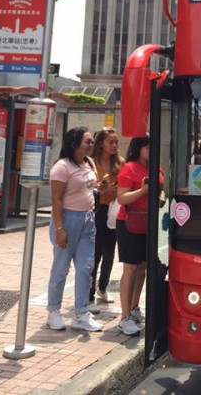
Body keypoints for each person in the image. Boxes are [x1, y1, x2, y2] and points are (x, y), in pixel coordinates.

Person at [47, 127, 102, 332]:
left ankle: (81, 313)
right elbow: (56, 199)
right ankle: (53, 311)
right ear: (74, 143)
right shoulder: (61, 167)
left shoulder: (89, 163)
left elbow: (91, 188)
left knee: (86, 267)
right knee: (61, 268)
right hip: (67, 220)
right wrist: (60, 228)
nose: (91, 145)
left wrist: (101, 188)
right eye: (87, 141)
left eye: (91, 141)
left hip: (88, 220)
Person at [115, 135, 165, 336]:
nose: (152, 149)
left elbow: (161, 188)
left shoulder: (156, 167)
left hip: (149, 222)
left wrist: (160, 197)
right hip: (129, 222)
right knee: (130, 268)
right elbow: (122, 197)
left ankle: (134, 307)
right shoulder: (129, 168)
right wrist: (144, 190)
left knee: (143, 267)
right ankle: (124, 316)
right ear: (138, 148)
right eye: (148, 146)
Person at [90, 128, 124, 306]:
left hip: (114, 209)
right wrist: (101, 188)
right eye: (111, 142)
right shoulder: (91, 162)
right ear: (101, 143)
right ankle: (89, 294)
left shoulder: (120, 162)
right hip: (96, 209)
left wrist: (117, 189)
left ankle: (102, 288)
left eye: (116, 142)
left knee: (110, 252)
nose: (115, 145)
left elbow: (126, 184)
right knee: (95, 252)